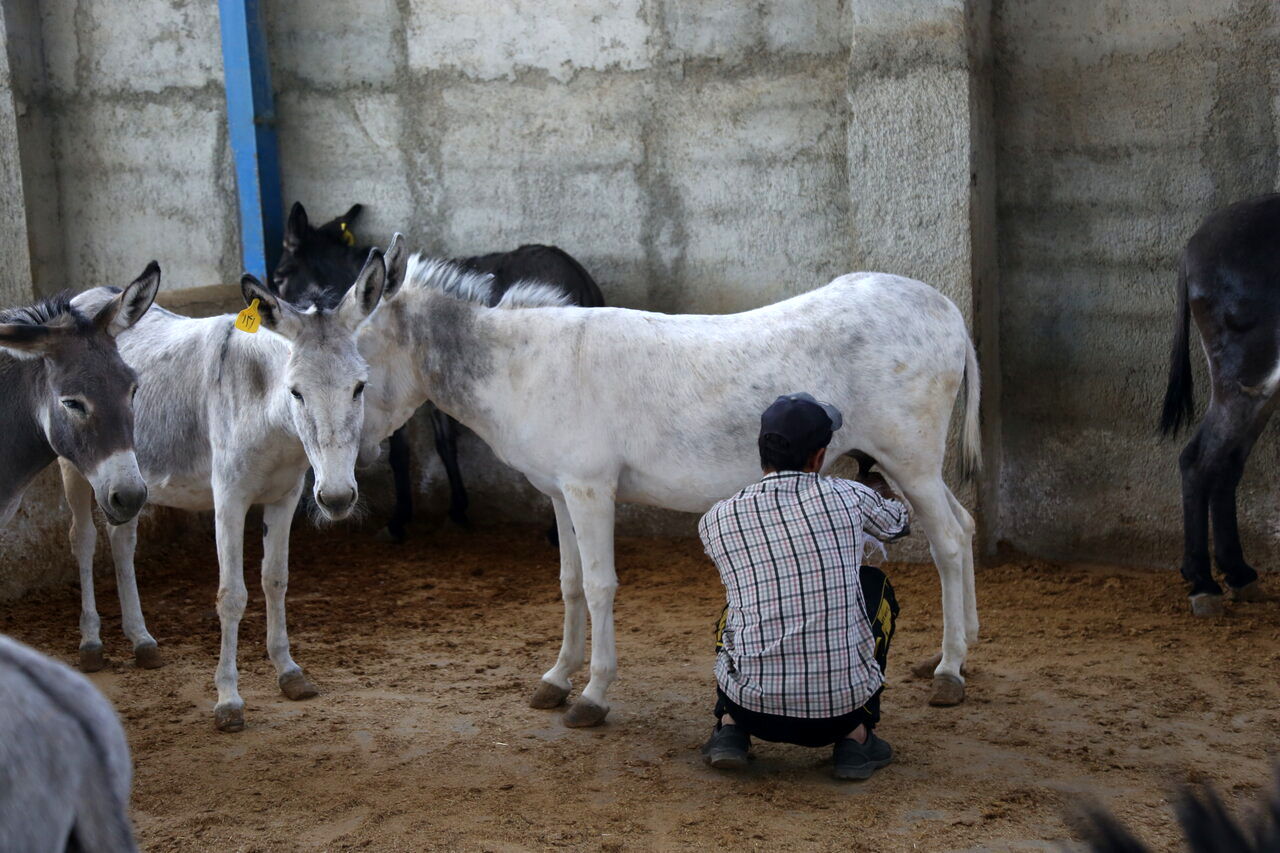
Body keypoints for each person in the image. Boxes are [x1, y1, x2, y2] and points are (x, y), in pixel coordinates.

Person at [698, 392, 910, 780]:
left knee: (736, 608)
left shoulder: (716, 519)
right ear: (818, 458)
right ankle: (857, 737)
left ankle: (729, 729)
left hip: (752, 709)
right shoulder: (849, 497)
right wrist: (877, 487)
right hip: (835, 714)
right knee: (875, 585)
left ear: (763, 452)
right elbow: (898, 525)